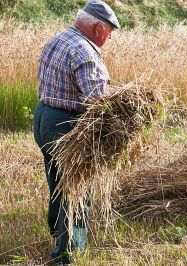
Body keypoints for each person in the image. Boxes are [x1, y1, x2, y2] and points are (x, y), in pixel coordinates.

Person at [33, 0, 120, 264]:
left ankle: (57, 233)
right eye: (109, 31)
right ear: (97, 28)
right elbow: (98, 101)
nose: (110, 37)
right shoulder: (84, 52)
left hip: (45, 118)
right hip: (67, 126)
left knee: (58, 181)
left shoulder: (59, 39)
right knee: (76, 189)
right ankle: (68, 253)